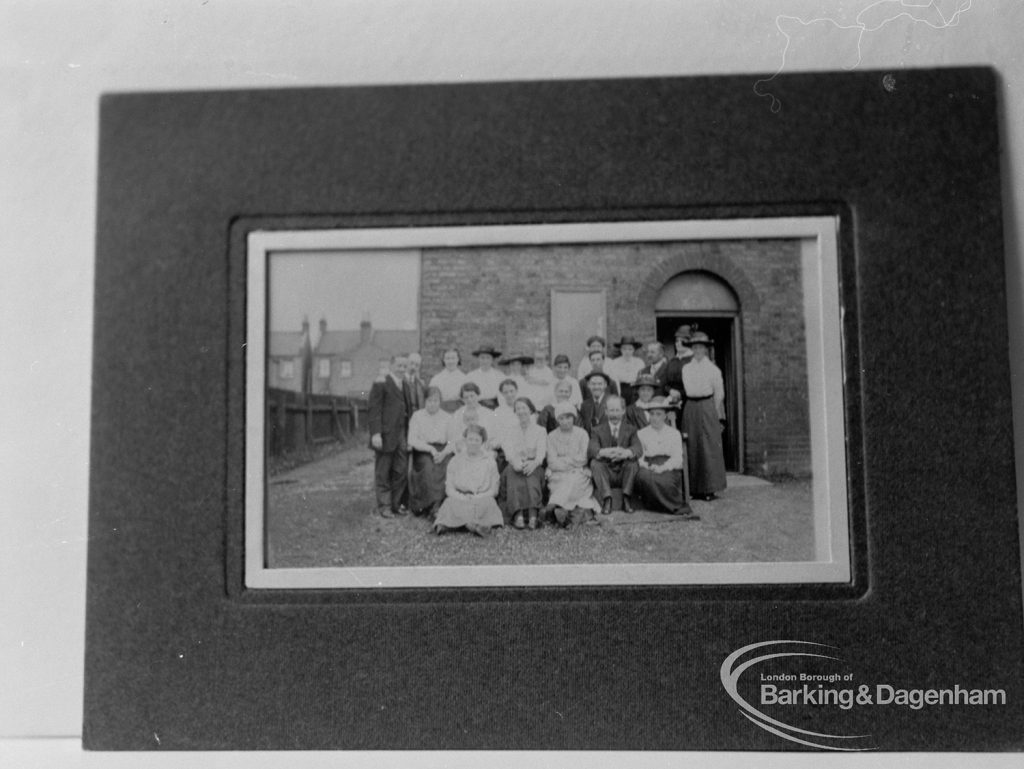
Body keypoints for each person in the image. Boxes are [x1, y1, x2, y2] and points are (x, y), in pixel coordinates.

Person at [432, 424, 503, 538]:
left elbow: (494, 490)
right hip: (460, 498)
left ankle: (456, 524)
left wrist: (478, 497)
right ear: (465, 441)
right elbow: (449, 488)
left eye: (477, 440)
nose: (473, 443)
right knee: (450, 502)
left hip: (481, 498)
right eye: (470, 439)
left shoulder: (489, 461)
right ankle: (472, 525)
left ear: (482, 442)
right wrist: (461, 497)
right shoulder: (456, 460)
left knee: (489, 503)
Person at [680, 331, 727, 501]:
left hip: (707, 406)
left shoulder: (713, 369)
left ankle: (709, 489)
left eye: (701, 347)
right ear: (691, 349)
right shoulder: (686, 368)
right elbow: (688, 388)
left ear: (706, 349)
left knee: (708, 446)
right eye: (695, 347)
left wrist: (711, 410)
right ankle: (693, 488)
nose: (698, 350)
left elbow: (719, 393)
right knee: (692, 445)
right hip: (691, 406)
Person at [635, 397, 697, 518]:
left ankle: (670, 505)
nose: (655, 418)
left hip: (669, 466)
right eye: (652, 414)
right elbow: (639, 457)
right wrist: (648, 466)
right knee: (643, 476)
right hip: (649, 465)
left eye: (659, 414)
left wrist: (663, 467)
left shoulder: (674, 433)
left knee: (665, 481)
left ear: (665, 416)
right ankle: (654, 504)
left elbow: (677, 458)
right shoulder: (641, 433)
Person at [367, 354, 411, 518]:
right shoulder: (381, 383)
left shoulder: (405, 384)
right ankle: (384, 506)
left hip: (401, 434)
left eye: (404, 367)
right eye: (399, 366)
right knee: (383, 471)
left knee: (401, 470)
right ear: (392, 366)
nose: (402, 369)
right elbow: (374, 409)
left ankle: (395, 503)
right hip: (385, 434)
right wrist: (376, 433)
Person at [544, 402, 601, 526]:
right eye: (562, 418)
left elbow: (583, 458)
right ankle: (567, 513)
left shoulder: (582, 434)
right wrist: (571, 462)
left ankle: (557, 506)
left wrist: (564, 460)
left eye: (568, 417)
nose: (565, 421)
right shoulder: (551, 436)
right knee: (565, 481)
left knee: (574, 480)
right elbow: (552, 462)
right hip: (558, 473)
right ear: (557, 419)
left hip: (579, 472)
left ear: (574, 418)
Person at [587, 395, 642, 515]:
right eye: (611, 410)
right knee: (595, 463)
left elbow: (638, 448)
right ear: (606, 412)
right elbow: (592, 449)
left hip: (624, 472)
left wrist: (625, 453)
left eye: (617, 410)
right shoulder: (597, 430)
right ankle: (607, 499)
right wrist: (604, 452)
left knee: (633, 463)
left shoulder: (631, 429)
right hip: (606, 473)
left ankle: (626, 498)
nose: (615, 414)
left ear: (623, 411)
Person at [501, 397, 547, 530]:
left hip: (534, 464)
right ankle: (518, 514)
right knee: (513, 473)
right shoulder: (510, 430)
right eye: (518, 409)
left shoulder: (540, 430)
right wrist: (515, 462)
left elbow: (541, 453)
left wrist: (534, 463)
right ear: (515, 412)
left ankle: (533, 515)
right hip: (515, 463)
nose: (521, 411)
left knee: (531, 476)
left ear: (531, 410)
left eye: (524, 408)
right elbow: (508, 449)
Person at [406, 387, 453, 517]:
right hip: (423, 450)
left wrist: (443, 453)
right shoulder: (417, 416)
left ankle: (442, 505)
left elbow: (453, 440)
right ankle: (431, 506)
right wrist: (430, 449)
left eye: (436, 400)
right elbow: (412, 439)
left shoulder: (447, 417)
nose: (432, 404)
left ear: (440, 401)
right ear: (424, 401)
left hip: (443, 450)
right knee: (428, 467)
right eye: (429, 400)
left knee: (448, 466)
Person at [447, 382, 497, 454]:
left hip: (484, 449)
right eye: (466, 397)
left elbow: (493, 434)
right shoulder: (458, 414)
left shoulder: (488, 413)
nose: (469, 400)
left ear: (478, 395)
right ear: (462, 399)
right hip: (463, 450)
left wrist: (490, 444)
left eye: (472, 396)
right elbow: (453, 436)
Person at [605, 335, 646, 405]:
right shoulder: (615, 363)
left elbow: (642, 379)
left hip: (635, 391)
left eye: (630, 349)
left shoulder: (639, 362)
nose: (627, 352)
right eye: (624, 349)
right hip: (620, 389)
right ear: (621, 350)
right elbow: (613, 380)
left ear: (634, 350)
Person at [428, 348, 468, 413]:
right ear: (443, 360)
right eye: (448, 358)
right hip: (441, 412)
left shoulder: (465, 379)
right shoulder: (436, 379)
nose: (450, 361)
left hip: (459, 412)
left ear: (458, 359)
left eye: (453, 358)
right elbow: (431, 399)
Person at [467, 344, 505, 408]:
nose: (485, 361)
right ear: (478, 359)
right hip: (477, 406)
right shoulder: (471, 376)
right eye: (482, 358)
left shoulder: (499, 375)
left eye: (488, 358)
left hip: (495, 407)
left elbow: (503, 394)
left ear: (492, 360)